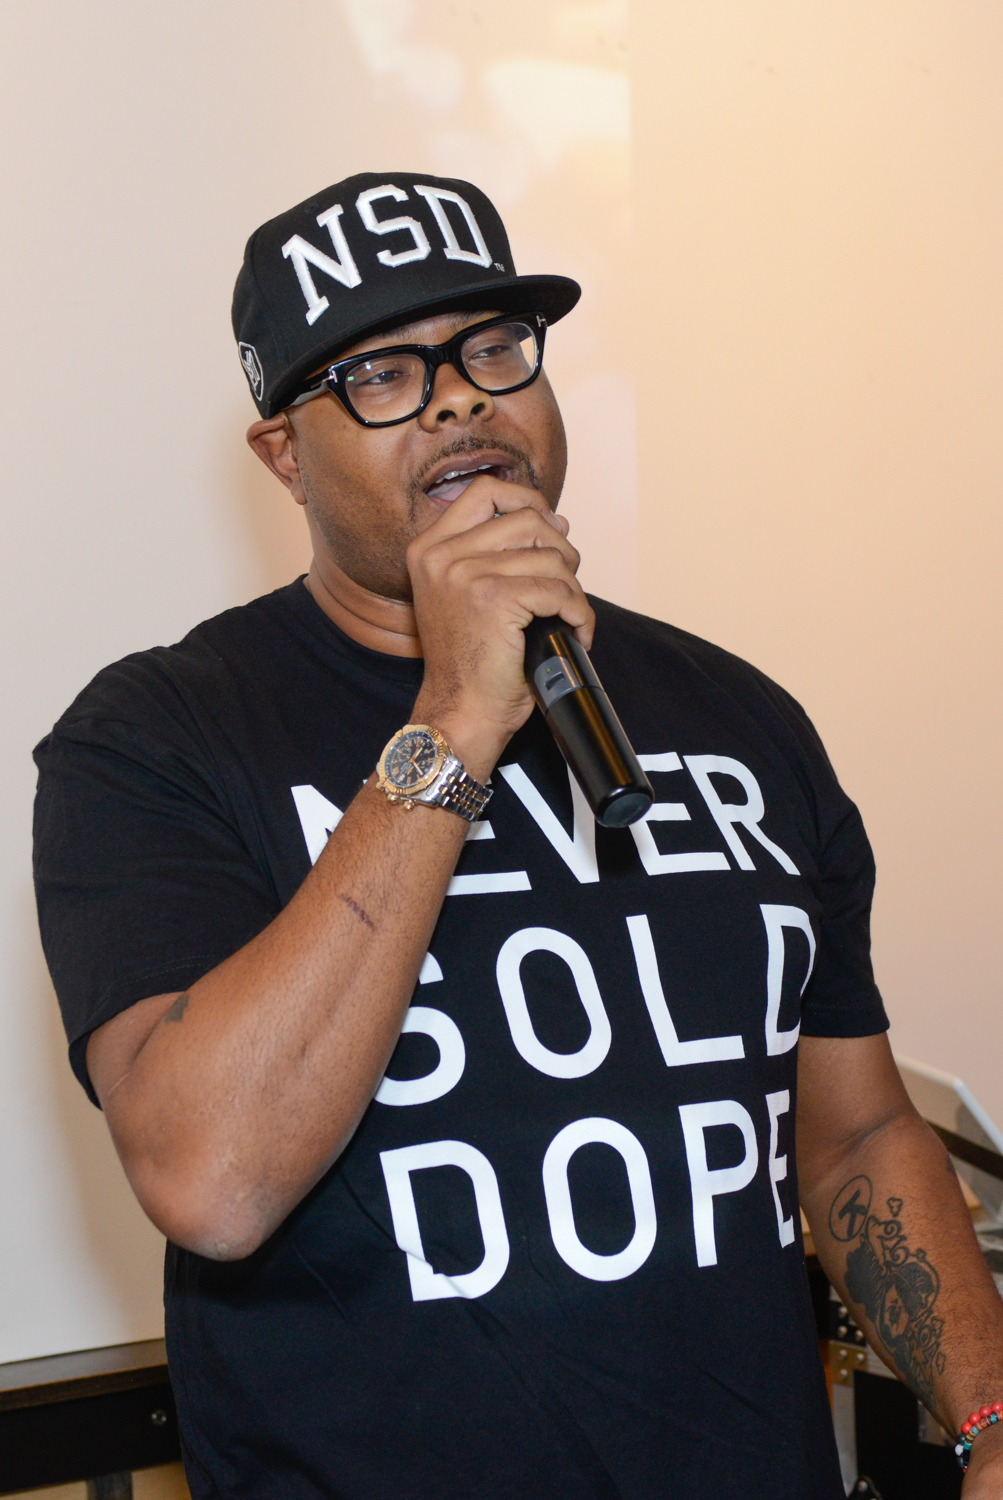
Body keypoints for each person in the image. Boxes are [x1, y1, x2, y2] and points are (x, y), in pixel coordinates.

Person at [33, 172, 1003, 1498]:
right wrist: (453, 715)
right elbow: (213, 1180)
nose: (457, 401)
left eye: (492, 349)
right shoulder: (156, 740)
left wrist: (988, 1412)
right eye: (381, 374)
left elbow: (855, 1138)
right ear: (285, 456)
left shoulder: (743, 717)